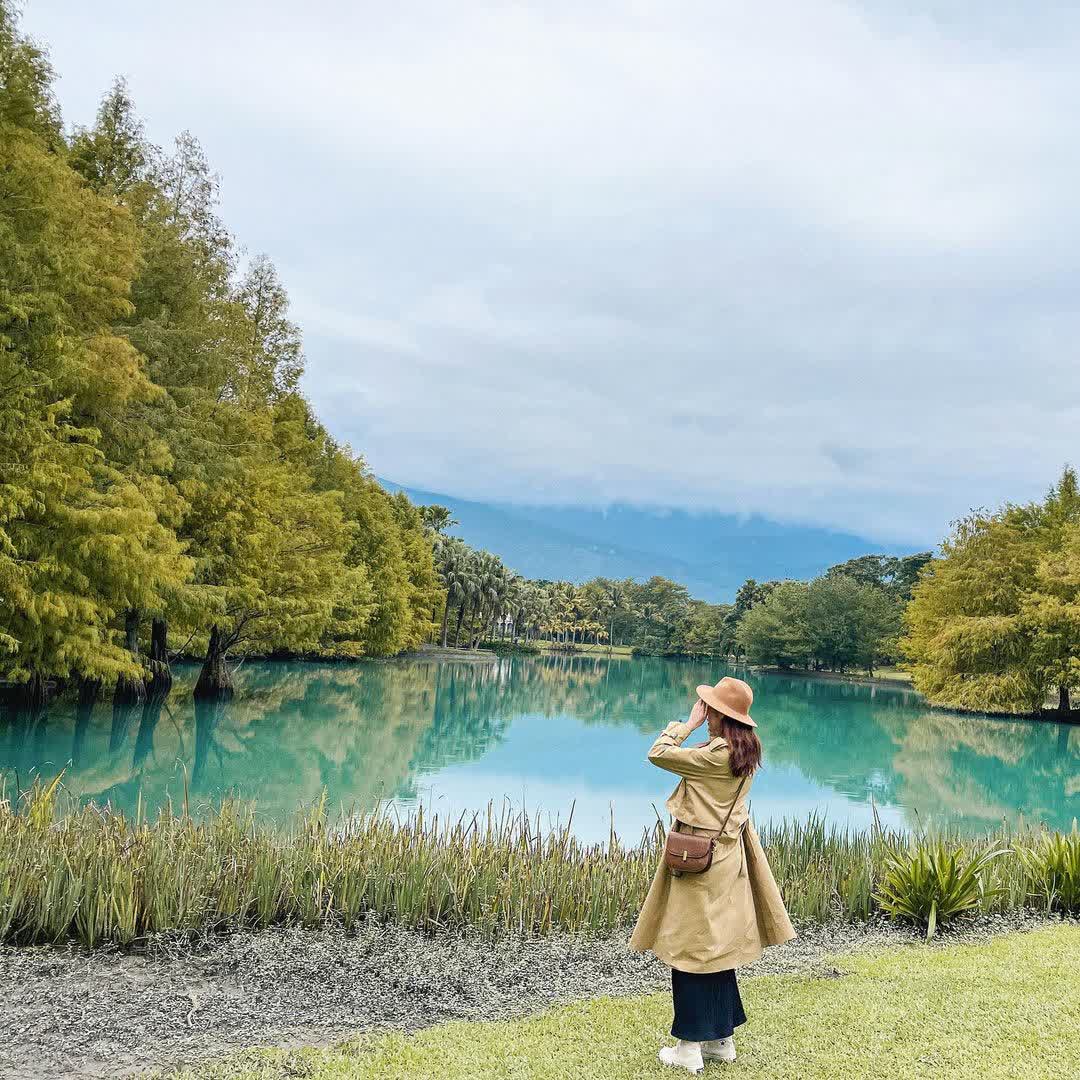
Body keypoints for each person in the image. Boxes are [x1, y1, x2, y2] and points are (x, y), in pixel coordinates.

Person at [630, 676, 795, 1073]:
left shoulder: (713, 757)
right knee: (716, 950)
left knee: (690, 952)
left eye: (711, 711)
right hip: (728, 861)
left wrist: (685, 725)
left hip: (697, 862)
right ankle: (722, 1041)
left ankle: (688, 1047)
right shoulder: (743, 753)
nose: (706, 717)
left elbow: (658, 753)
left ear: (723, 715)